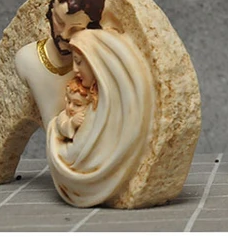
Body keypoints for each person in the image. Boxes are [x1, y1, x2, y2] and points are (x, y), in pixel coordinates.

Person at [46, 28, 155, 208]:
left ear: (97, 62)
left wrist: (54, 137)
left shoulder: (115, 108)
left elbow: (81, 151)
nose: (74, 69)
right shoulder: (91, 99)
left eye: (79, 62)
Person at [15, 0, 106, 127]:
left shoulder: (95, 66)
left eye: (76, 29)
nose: (64, 35)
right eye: (59, 21)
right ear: (50, 12)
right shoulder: (27, 59)